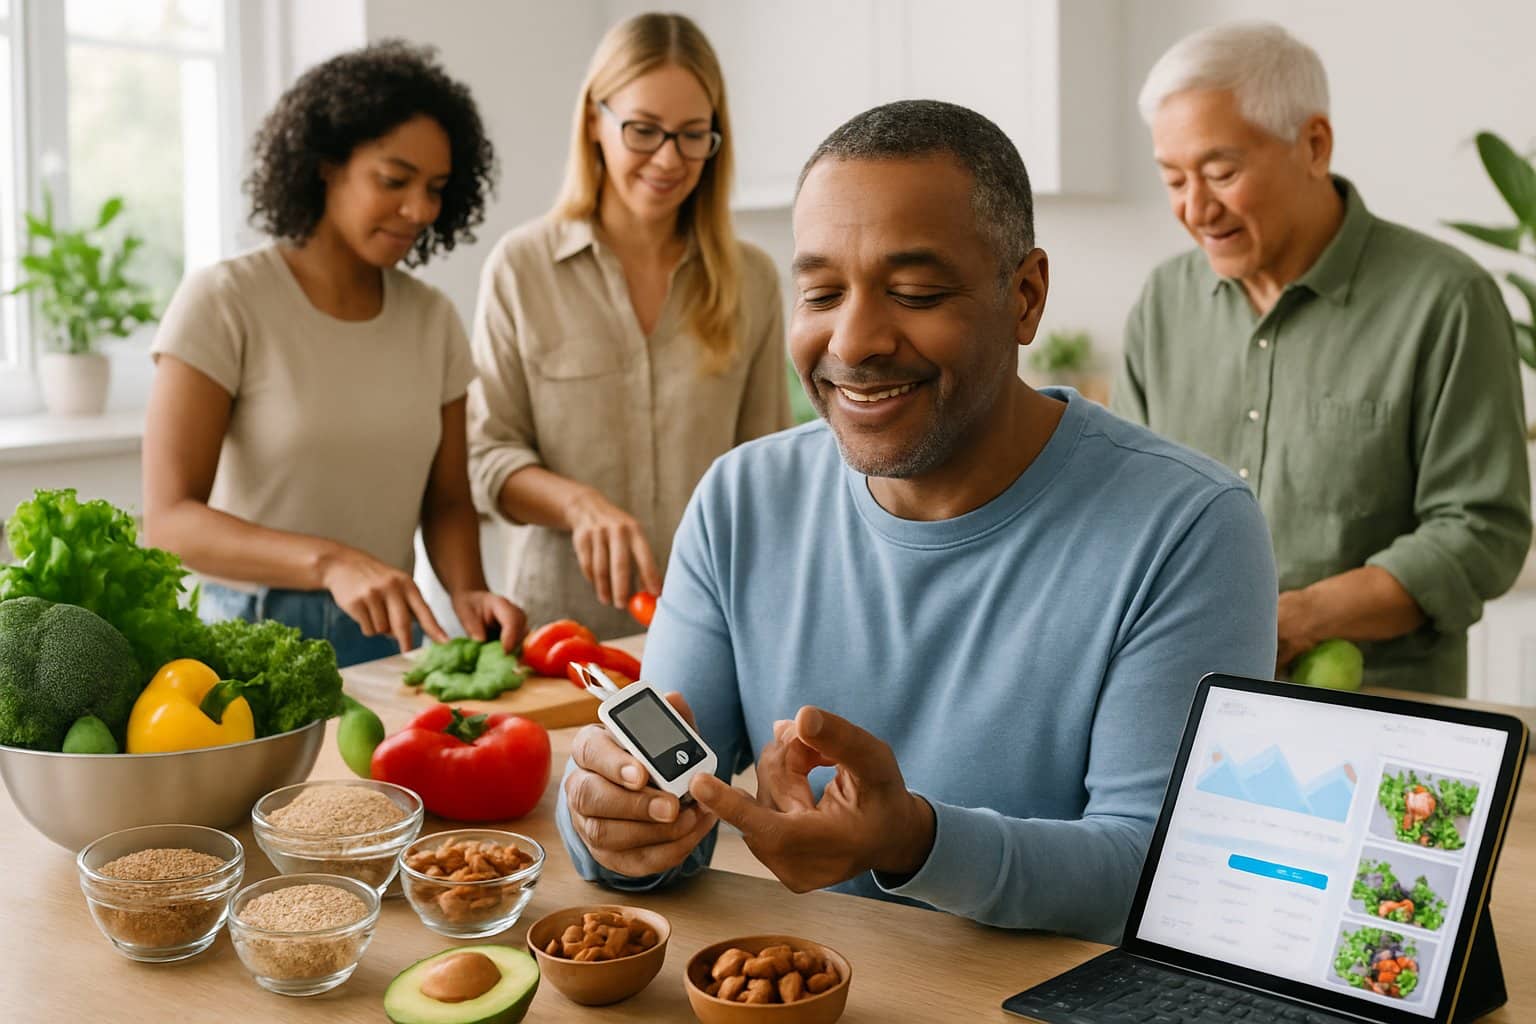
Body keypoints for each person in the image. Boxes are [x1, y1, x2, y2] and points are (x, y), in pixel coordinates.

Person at [555, 99, 1279, 943]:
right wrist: (609, 826)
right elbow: (662, 809)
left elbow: (1158, 872)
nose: (854, 340)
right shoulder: (739, 501)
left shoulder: (1190, 530)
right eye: (822, 290)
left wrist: (917, 842)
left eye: (916, 292)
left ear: (1026, 296)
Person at [1112, 22, 1532, 696]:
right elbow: (1124, 507)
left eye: (1221, 172)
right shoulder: (1165, 301)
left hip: (1386, 715)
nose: (1195, 208)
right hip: (1184, 704)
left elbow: (1480, 530)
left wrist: (1296, 619)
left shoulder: (1446, 299)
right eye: (1173, 178)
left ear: (1313, 144)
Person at [142, 42, 524, 667]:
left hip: (392, 637)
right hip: (249, 638)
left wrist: (469, 591)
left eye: (435, 189)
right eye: (394, 180)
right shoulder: (224, 300)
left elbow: (449, 499)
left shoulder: (433, 319)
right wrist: (332, 562)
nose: (420, 210)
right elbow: (170, 522)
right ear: (324, 164)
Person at [467, 12, 791, 639]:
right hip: (559, 635)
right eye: (644, 130)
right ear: (595, 120)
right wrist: (579, 505)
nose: (669, 159)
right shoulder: (522, 268)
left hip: (711, 625)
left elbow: (767, 471)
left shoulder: (749, 279)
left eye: (693, 134)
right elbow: (486, 459)